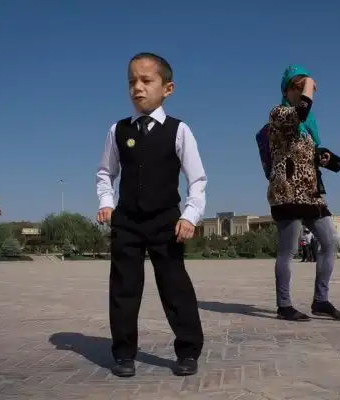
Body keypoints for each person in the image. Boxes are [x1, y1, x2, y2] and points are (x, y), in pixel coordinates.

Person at [96, 52, 206, 378]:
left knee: (175, 286)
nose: (138, 87)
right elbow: (105, 173)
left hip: (165, 221)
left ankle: (188, 350)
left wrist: (190, 216)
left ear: (167, 88)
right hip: (127, 221)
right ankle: (123, 353)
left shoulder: (179, 130)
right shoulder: (118, 130)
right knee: (124, 288)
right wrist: (106, 201)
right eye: (132, 81)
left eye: (146, 80)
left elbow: (197, 179)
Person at [266, 65, 340, 322]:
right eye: (297, 88)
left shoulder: (308, 127)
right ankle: (284, 305)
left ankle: (320, 300)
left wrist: (323, 157)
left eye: (305, 88)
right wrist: (310, 83)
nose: (303, 92)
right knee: (288, 251)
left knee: (331, 241)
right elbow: (301, 110)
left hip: (311, 194)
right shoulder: (279, 114)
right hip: (287, 192)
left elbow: (308, 152)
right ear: (286, 91)